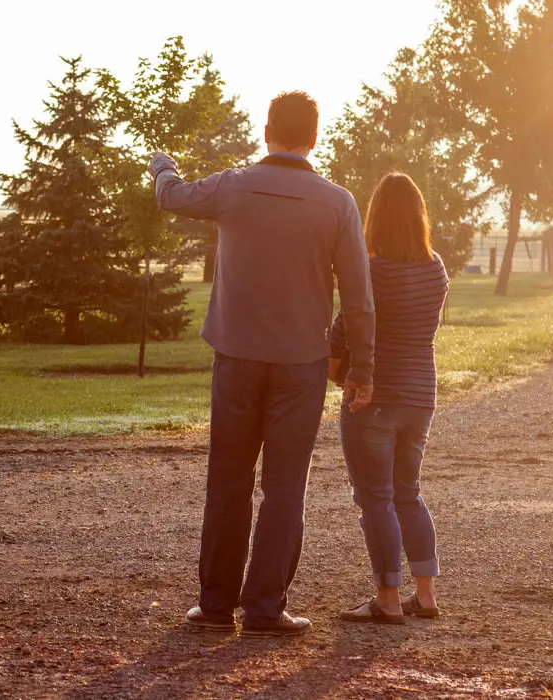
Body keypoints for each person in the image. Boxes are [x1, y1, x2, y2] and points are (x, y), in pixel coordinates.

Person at [149, 91, 375, 637]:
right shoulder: (338, 202)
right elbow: (359, 296)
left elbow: (171, 198)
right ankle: (265, 608)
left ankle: (215, 605)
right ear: (315, 138)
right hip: (301, 364)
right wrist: (361, 368)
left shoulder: (232, 185)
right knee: (284, 487)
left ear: (265, 129)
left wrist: (162, 163)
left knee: (228, 480)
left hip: (237, 357)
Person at [330, 172, 449, 625]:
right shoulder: (435, 267)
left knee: (375, 499)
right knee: (408, 494)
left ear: (375, 216)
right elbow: (428, 330)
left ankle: (387, 599)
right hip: (421, 396)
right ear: (419, 217)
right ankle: (426, 594)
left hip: (373, 396)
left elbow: (347, 328)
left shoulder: (371, 269)